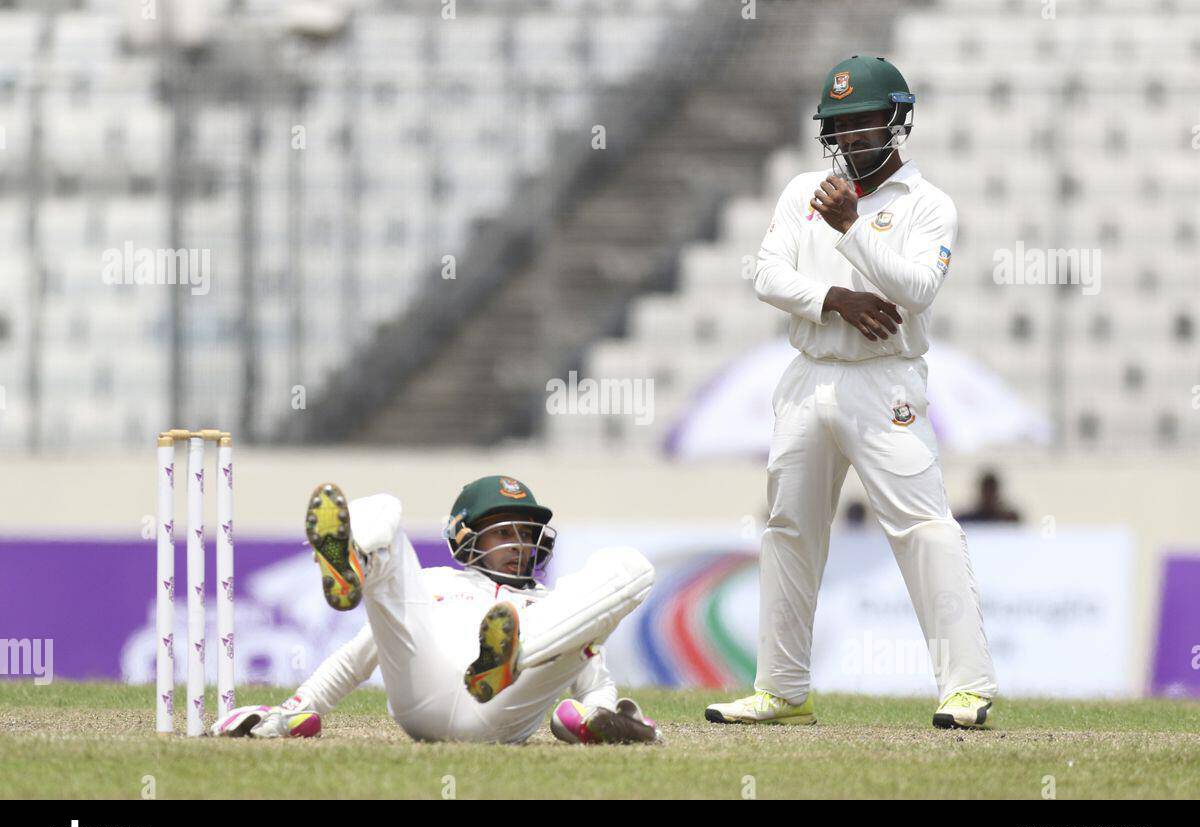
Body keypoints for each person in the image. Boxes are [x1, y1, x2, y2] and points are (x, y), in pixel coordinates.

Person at [707, 55, 998, 730]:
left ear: (897, 121)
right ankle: (781, 690)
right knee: (788, 530)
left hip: (885, 380)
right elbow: (768, 277)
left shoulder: (928, 205)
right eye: (838, 125)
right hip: (807, 376)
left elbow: (917, 291)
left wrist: (852, 230)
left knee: (924, 528)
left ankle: (966, 690)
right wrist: (835, 297)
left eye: (865, 121)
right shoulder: (803, 190)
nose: (851, 136)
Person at [213, 475, 660, 744]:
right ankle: (353, 563)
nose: (520, 545)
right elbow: (357, 658)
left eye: (526, 534)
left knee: (631, 567)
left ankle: (511, 656)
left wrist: (597, 717)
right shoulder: (433, 581)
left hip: (502, 710)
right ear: (464, 537)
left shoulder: (559, 607)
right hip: (424, 695)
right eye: (503, 533)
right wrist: (296, 709)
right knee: (382, 507)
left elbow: (593, 684)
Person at [957, 470, 1021, 523]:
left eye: (991, 491)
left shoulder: (1009, 519)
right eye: (987, 491)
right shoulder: (966, 519)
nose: (989, 496)